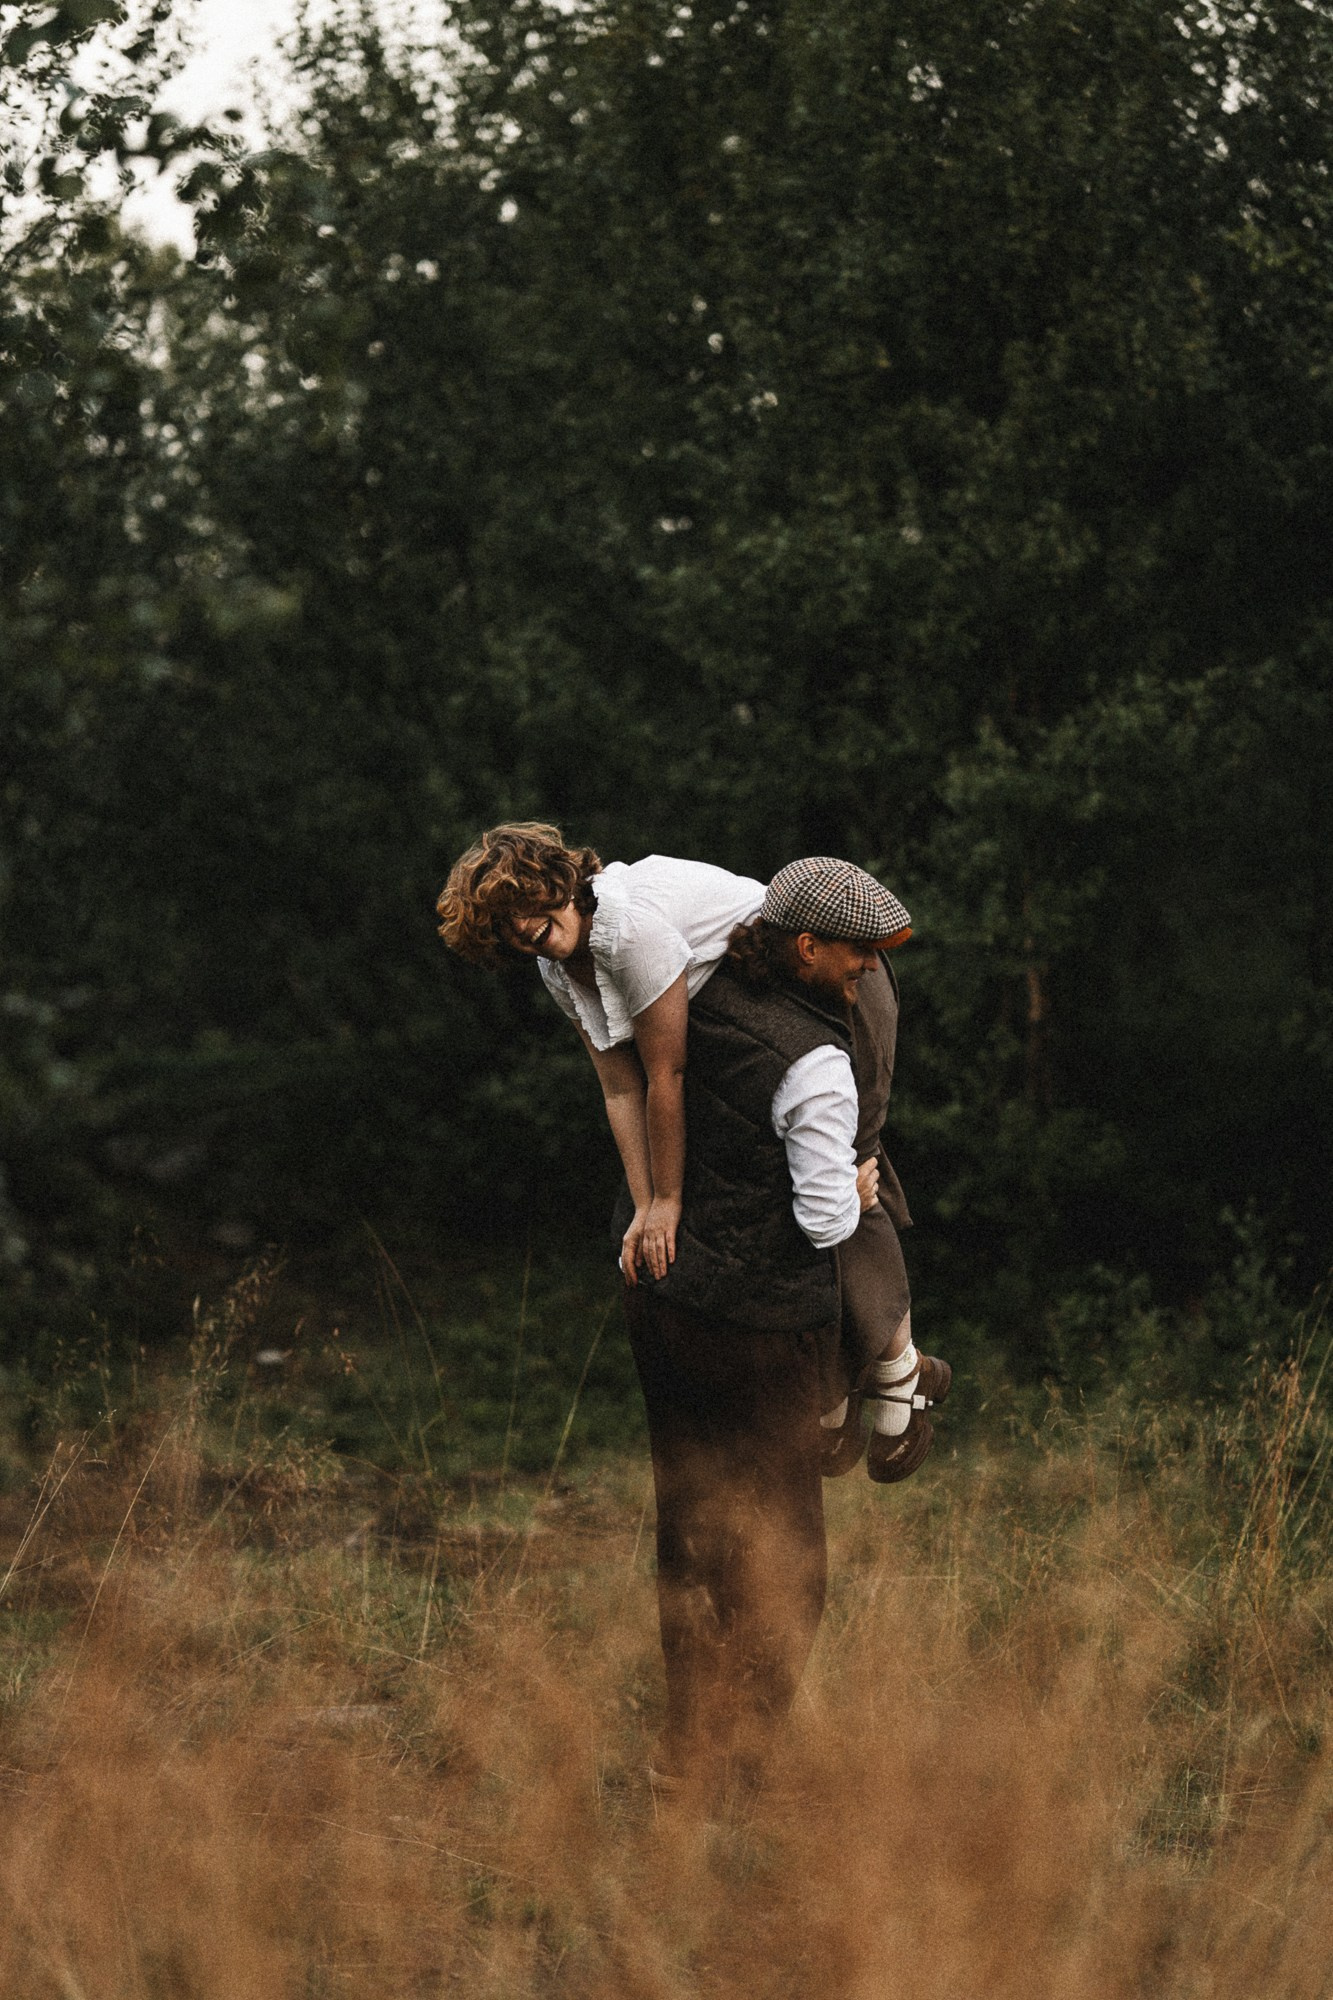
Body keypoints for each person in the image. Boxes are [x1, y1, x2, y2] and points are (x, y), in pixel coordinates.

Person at [624, 856, 950, 1800]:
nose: (868, 970)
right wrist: (855, 1190)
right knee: (781, 1554)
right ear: (806, 947)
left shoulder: (689, 999)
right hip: (759, 1330)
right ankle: (747, 1763)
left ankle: (682, 1750)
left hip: (664, 1300)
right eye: (857, 955)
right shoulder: (817, 1064)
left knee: (690, 1531)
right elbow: (820, 1222)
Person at [435, 822, 763, 1283]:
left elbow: (666, 1074)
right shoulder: (555, 967)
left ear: (556, 879)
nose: (522, 927)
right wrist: (644, 1205)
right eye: (503, 925)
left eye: (524, 903)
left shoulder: (626, 930)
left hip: (786, 959)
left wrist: (667, 1202)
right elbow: (620, 1088)